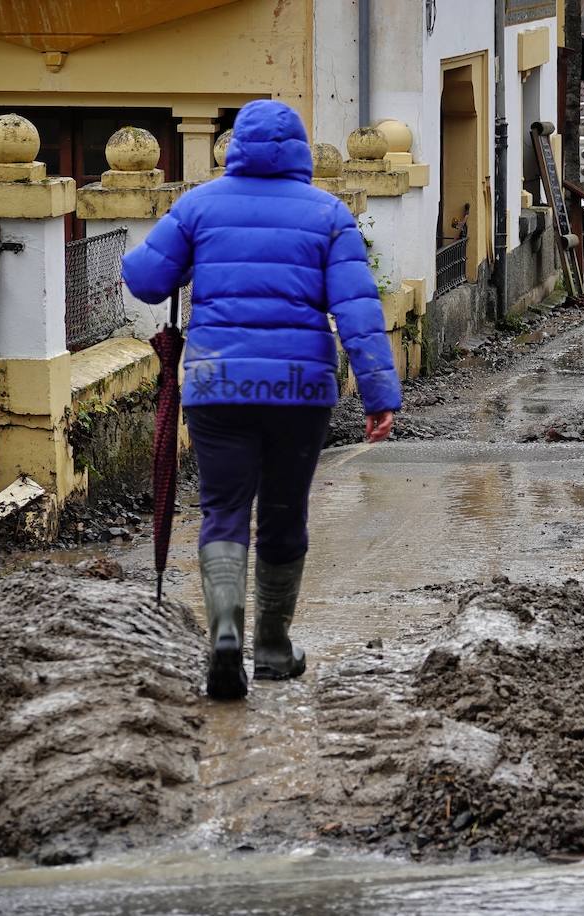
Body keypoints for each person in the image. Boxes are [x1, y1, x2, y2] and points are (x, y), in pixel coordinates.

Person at [122, 100, 400, 701]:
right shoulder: (327, 213)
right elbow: (357, 310)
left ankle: (225, 634)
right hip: (300, 392)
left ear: (235, 147)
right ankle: (272, 648)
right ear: (300, 150)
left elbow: (146, 279)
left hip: (218, 385)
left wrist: (151, 250)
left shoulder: (199, 204)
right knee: (283, 512)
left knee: (223, 510)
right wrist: (379, 392)